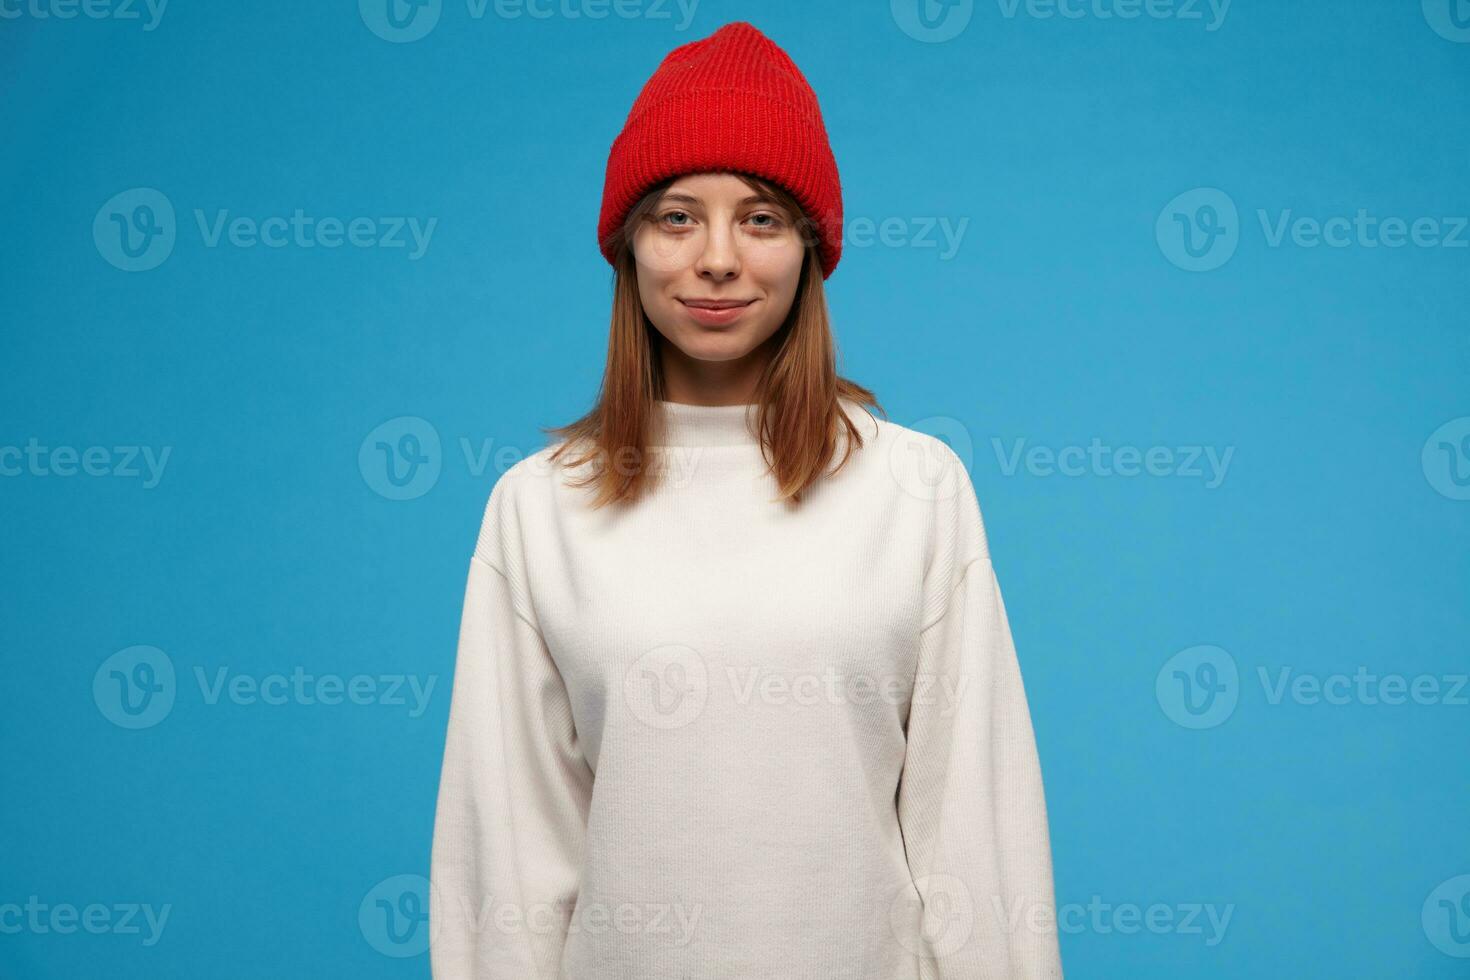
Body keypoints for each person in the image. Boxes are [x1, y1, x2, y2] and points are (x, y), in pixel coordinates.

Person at [428, 20, 1063, 980]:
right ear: (628, 246)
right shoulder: (537, 508)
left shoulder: (916, 489)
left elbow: (975, 829)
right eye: (678, 216)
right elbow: (507, 866)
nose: (718, 258)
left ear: (811, 249)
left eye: (761, 217)